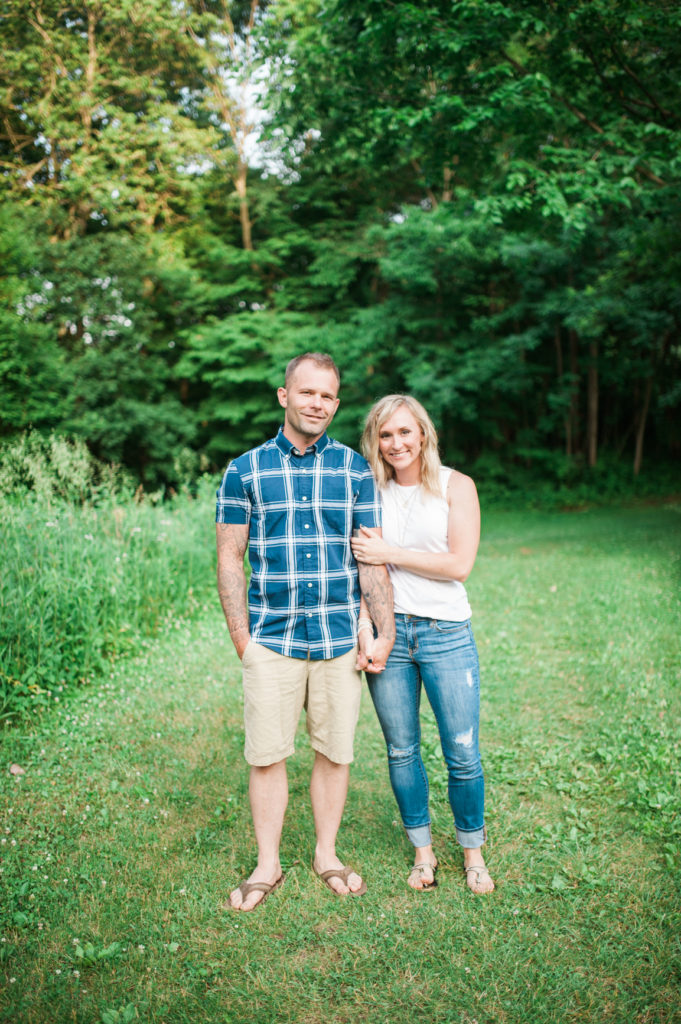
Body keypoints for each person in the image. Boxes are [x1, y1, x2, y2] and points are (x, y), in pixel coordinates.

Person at [215, 353, 395, 911]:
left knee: (334, 753)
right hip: (272, 638)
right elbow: (229, 558)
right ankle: (267, 865)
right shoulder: (244, 470)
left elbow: (370, 558)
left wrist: (380, 631)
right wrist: (243, 640)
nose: (317, 403)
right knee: (267, 755)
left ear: (336, 405)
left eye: (328, 396)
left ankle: (326, 853)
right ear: (284, 396)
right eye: (307, 392)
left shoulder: (354, 470)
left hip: (341, 637)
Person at [351, 394, 495, 894]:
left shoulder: (457, 487)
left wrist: (391, 551)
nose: (396, 444)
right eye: (385, 435)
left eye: (405, 432)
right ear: (375, 440)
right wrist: (365, 625)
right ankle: (423, 853)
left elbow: (459, 564)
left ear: (424, 434)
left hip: (446, 634)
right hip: (390, 635)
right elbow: (361, 569)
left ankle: (472, 854)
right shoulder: (368, 491)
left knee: (462, 751)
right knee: (401, 750)